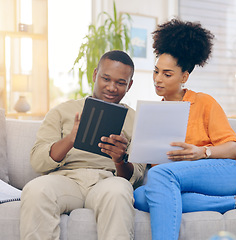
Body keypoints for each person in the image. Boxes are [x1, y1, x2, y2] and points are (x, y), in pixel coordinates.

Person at [133, 19, 236, 240]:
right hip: (176, 181)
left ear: (184, 77)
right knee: (141, 195)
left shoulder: (203, 102)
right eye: (156, 72)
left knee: (159, 178)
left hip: (225, 173)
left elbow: (232, 148)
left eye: (167, 74)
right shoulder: (152, 113)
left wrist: (201, 152)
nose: (158, 79)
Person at [20, 50, 146, 240]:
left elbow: (135, 176)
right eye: (106, 79)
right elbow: (38, 162)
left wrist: (120, 160)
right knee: (36, 190)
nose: (112, 87)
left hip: (107, 180)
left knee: (119, 191)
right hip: (66, 180)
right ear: (95, 75)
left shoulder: (137, 120)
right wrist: (71, 139)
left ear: (129, 85)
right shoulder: (62, 111)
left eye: (121, 83)